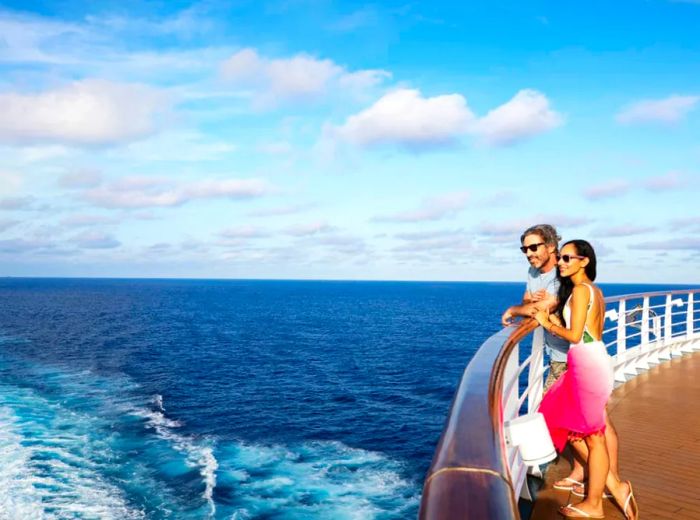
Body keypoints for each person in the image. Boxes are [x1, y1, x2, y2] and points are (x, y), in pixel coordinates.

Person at [535, 240, 638, 519]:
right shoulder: (592, 290)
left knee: (592, 437)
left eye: (568, 258)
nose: (561, 262)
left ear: (584, 261)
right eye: (561, 258)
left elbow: (576, 335)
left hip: (588, 364)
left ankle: (599, 500)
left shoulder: (581, 291)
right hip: (589, 361)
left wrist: (548, 323)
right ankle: (611, 485)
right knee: (563, 418)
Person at [501, 224, 570, 391]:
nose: (529, 254)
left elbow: (546, 307)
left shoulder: (563, 271)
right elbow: (527, 302)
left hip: (571, 355)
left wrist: (512, 310)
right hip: (555, 354)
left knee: (547, 410)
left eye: (533, 247)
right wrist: (532, 302)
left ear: (551, 246)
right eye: (525, 249)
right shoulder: (533, 271)